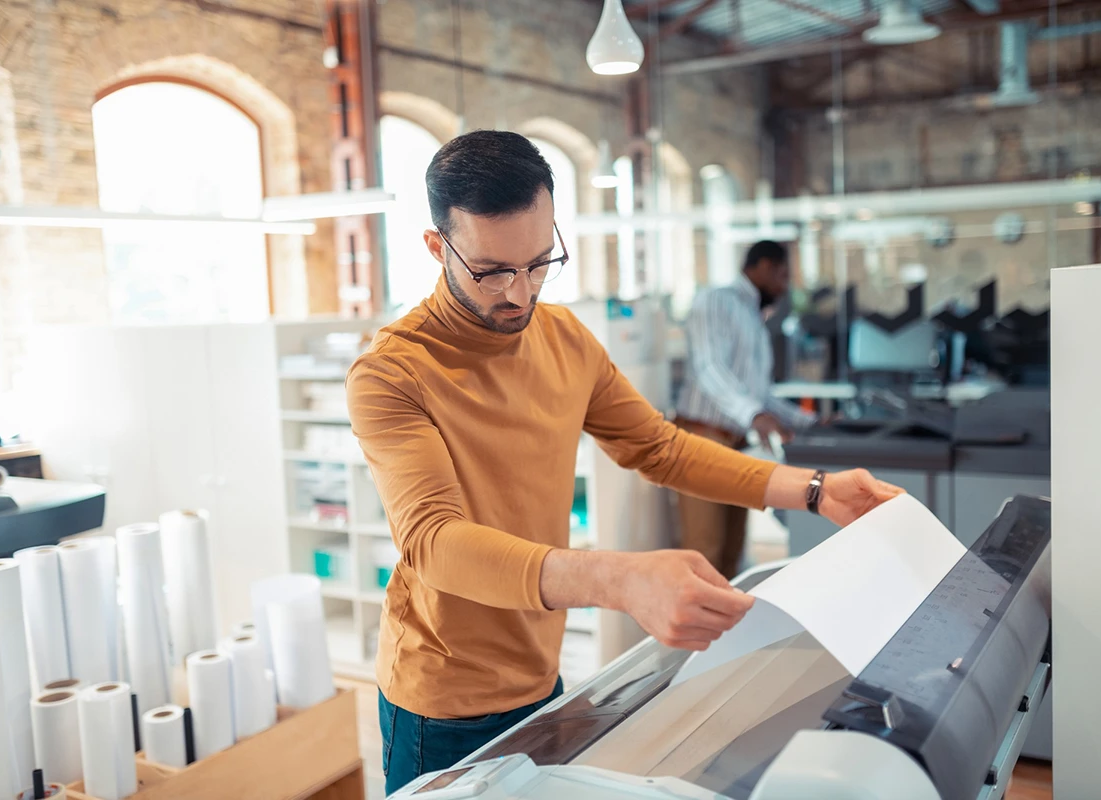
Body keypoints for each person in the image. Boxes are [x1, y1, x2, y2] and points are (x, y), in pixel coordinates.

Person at [346, 131, 902, 794]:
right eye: (492, 271)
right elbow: (435, 543)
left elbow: (658, 446)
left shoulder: (563, 338)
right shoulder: (392, 374)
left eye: (540, 262)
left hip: (540, 674)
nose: (521, 294)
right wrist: (619, 582)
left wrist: (814, 490)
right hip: (440, 699)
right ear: (439, 249)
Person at [673, 241, 817, 579]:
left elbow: (759, 394)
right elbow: (709, 368)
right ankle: (696, 634)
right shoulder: (716, 300)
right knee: (704, 555)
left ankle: (721, 632)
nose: (785, 287)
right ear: (763, 266)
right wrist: (754, 415)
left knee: (732, 556)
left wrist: (811, 422)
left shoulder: (753, 316)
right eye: (782, 275)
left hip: (734, 444)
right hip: (702, 439)